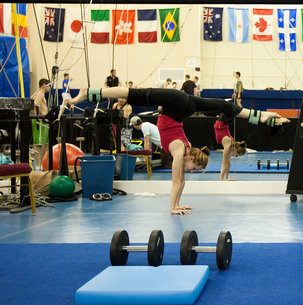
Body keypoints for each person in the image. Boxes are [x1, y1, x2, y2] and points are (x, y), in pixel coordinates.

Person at [66, 87, 289, 214]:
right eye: (194, 168)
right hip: (177, 103)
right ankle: (90, 92)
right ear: (191, 158)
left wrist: (176, 205)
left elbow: (180, 181)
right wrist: (171, 207)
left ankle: (262, 116)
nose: (190, 171)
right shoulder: (180, 149)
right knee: (136, 95)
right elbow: (176, 181)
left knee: (224, 106)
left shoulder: (184, 151)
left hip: (184, 106)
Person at [214, 114, 246, 181]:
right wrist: (221, 180)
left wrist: (227, 178)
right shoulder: (228, 144)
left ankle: (226, 177)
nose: (235, 156)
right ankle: (237, 103)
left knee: (235, 112)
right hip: (221, 122)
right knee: (234, 111)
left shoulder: (231, 146)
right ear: (236, 150)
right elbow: (224, 163)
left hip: (223, 124)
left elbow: (228, 163)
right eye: (237, 155)